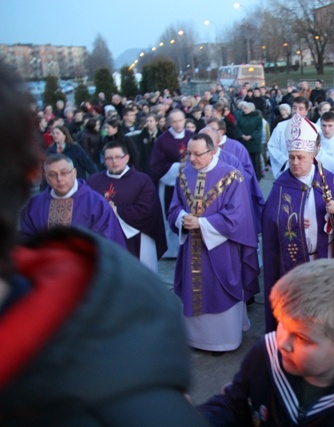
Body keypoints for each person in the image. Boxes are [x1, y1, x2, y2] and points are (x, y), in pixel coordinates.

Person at [0, 62, 209, 427]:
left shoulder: (96, 201)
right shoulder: (37, 206)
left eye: (65, 173)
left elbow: (110, 240)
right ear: (35, 176)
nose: (60, 180)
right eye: (53, 175)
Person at [198, 259, 334, 426]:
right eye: (283, 323)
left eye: (302, 338)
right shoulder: (265, 353)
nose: (283, 342)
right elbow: (234, 406)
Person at [262, 114, 334, 332]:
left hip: (324, 257)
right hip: (294, 263)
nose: (295, 163)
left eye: (300, 157)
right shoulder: (281, 185)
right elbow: (269, 220)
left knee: (323, 313)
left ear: (314, 154)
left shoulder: (331, 180)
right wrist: (291, 223)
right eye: (291, 157)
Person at [168, 133, 259, 353]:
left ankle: (224, 340)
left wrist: (202, 223)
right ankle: (195, 338)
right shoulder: (184, 174)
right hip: (191, 248)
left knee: (220, 290)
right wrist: (182, 219)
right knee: (193, 289)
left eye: (197, 154)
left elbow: (237, 215)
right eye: (189, 153)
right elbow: (174, 207)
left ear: (211, 152)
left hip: (221, 249)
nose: (192, 159)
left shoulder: (231, 176)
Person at [87, 142, 167, 272]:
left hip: (137, 238)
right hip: (103, 240)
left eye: (118, 157)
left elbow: (148, 210)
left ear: (127, 158)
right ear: (103, 159)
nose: (114, 161)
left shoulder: (142, 180)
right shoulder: (93, 181)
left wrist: (117, 211)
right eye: (109, 158)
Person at [149, 109, 195, 258]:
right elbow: (156, 167)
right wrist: (179, 166)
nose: (178, 124)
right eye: (174, 121)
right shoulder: (162, 141)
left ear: (185, 120)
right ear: (169, 122)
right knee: (170, 215)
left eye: (180, 120)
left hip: (190, 182)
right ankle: (172, 250)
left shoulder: (191, 136)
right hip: (169, 183)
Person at [236, 101, 263, 180]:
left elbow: (259, 129)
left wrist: (251, 136)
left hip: (254, 143)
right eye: (243, 108)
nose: (244, 110)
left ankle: (257, 176)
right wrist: (242, 135)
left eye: (246, 108)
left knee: (255, 161)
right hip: (243, 141)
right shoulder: (241, 116)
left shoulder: (257, 117)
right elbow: (237, 127)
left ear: (251, 109)